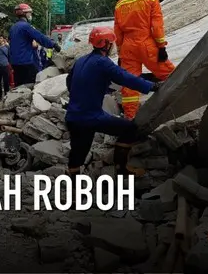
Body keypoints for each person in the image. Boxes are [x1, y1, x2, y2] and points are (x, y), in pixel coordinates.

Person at [66, 27, 162, 179]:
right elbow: (125, 77)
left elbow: (70, 83)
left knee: (78, 153)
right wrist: (151, 86)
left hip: (73, 116)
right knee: (129, 129)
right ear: (106, 44)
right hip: (91, 117)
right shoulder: (103, 62)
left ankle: (74, 190)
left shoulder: (81, 60)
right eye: (111, 43)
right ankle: (121, 168)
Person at [114, 0, 175, 120]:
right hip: (146, 44)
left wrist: (121, 53)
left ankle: (130, 119)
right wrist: (161, 47)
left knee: (129, 85)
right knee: (170, 74)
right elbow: (156, 26)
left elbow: (118, 33)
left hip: (127, 48)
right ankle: (176, 105)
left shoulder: (120, 4)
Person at [9, 3, 61, 86]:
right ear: (24, 14)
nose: (30, 15)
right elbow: (40, 37)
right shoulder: (25, 26)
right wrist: (54, 45)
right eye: (29, 13)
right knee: (34, 84)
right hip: (26, 62)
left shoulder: (13, 27)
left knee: (19, 86)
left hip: (15, 63)